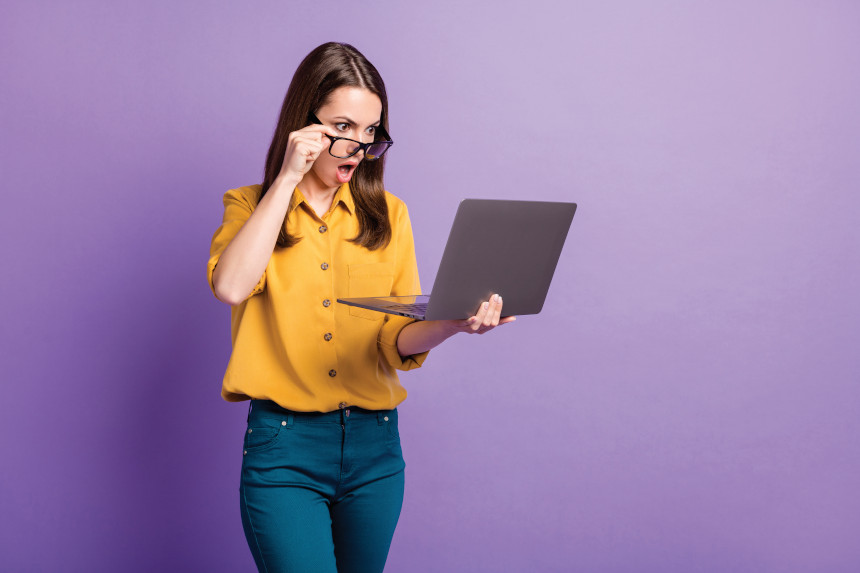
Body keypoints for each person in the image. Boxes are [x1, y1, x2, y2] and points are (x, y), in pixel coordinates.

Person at [207, 42, 515, 573]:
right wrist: (286, 179)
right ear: (303, 126)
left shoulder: (389, 215)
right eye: (342, 127)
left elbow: (393, 342)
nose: (357, 146)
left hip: (376, 449)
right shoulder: (250, 205)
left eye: (371, 132)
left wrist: (449, 324)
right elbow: (232, 286)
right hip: (286, 449)